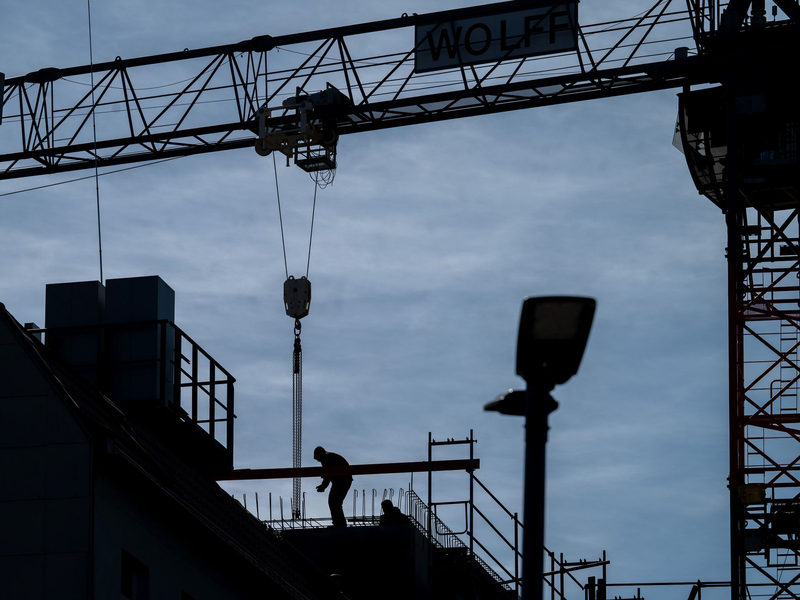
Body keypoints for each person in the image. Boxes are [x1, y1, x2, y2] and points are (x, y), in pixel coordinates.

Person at [314, 446, 353, 527]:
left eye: (317, 458)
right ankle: (339, 523)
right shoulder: (329, 457)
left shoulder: (326, 458)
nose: (318, 461)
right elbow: (328, 474)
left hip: (341, 481)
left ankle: (339, 524)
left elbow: (328, 474)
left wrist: (323, 486)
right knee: (335, 502)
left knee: (334, 502)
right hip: (343, 480)